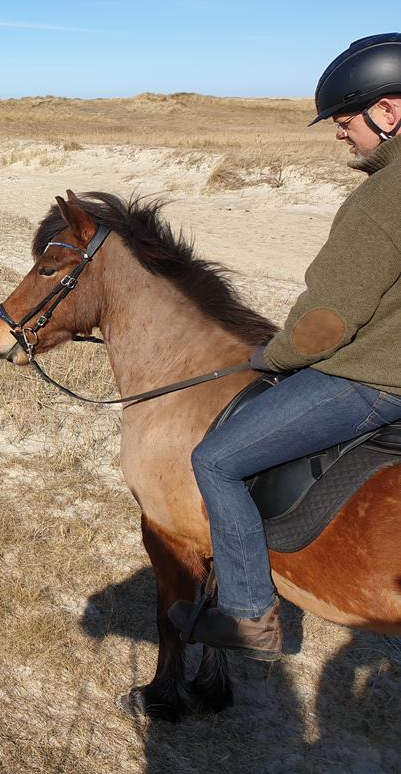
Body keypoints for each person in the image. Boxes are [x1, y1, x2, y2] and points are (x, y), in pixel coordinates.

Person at [168, 33, 401, 660]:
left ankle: (249, 616)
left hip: (373, 386)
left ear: (390, 111)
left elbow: (327, 323)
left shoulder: (384, 198)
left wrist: (272, 356)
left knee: (216, 460)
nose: (339, 134)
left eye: (345, 120)